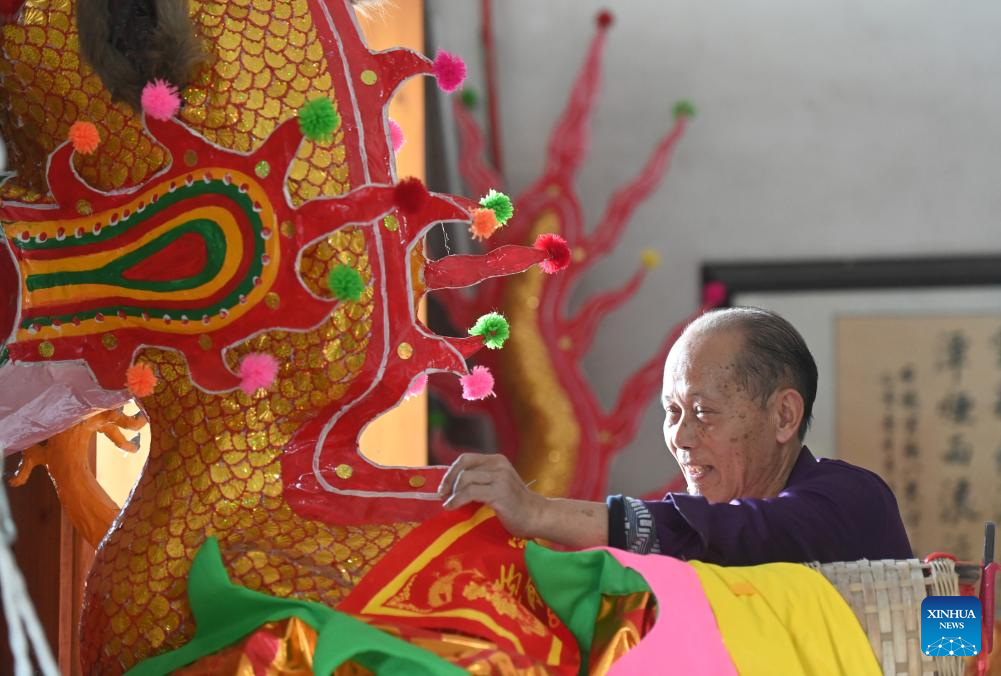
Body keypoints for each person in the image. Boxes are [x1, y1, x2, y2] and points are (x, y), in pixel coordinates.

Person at [437, 306, 913, 565]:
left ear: (784, 416)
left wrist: (537, 512)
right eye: (672, 411)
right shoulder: (696, 545)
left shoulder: (853, 499)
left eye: (703, 411)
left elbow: (739, 534)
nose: (680, 437)